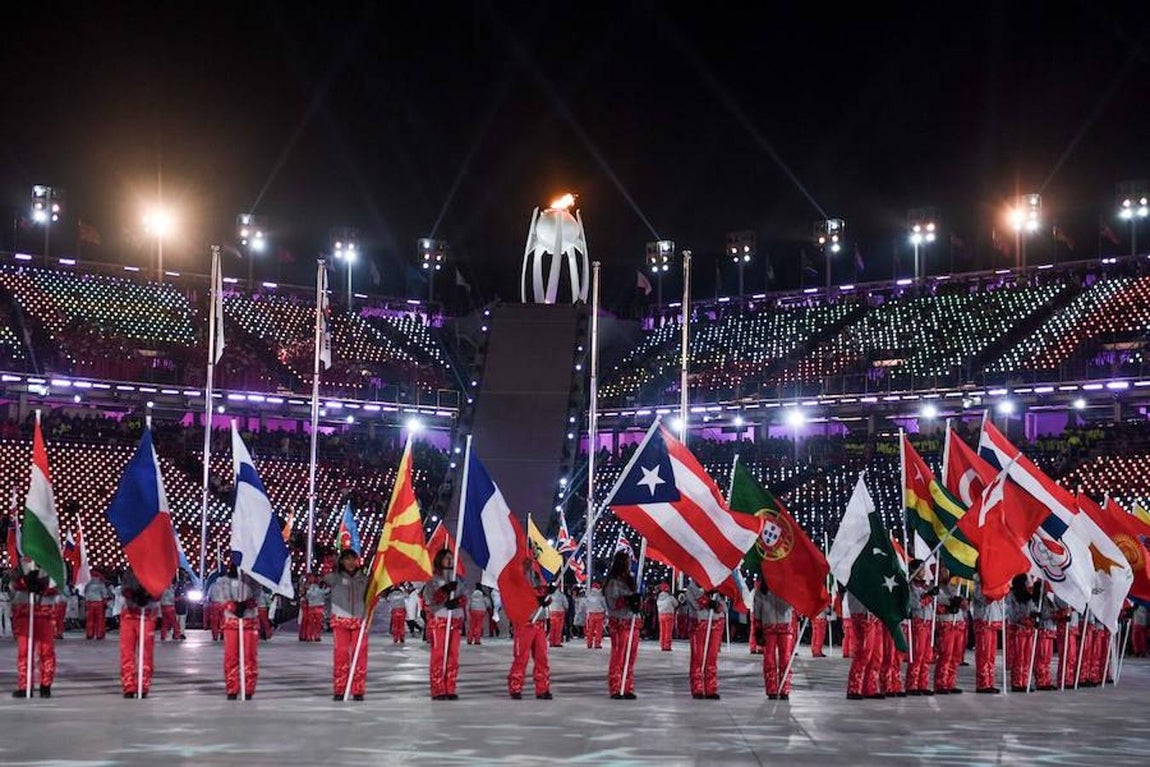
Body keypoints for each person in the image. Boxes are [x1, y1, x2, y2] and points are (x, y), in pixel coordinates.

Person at [323, 549, 370, 701]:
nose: (351, 562)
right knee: (341, 655)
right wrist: (331, 562)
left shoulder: (364, 579)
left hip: (359, 621)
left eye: (353, 559)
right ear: (342, 561)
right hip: (341, 620)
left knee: (360, 656)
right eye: (347, 559)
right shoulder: (335, 578)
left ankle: (358, 689)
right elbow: (324, 577)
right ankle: (340, 689)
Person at [11, 560, 59, 698]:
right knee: (24, 651)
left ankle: (45, 685)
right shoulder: (20, 563)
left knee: (46, 650)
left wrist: (43, 586)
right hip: (25, 612)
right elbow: (13, 586)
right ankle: (25, 685)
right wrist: (25, 582)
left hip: (44, 612)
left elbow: (58, 584)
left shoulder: (51, 559)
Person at [508, 555, 553, 700]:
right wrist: (537, 598)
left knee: (542, 657)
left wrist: (547, 595)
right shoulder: (517, 577)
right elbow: (518, 595)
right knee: (521, 657)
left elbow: (544, 596)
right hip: (525, 621)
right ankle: (515, 686)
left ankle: (543, 688)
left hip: (538, 622)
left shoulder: (538, 577)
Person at [422, 548, 463, 700]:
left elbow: (465, 596)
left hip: (455, 620)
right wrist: (445, 591)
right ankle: (438, 689)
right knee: (439, 655)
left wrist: (457, 601)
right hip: (439, 620)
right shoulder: (432, 579)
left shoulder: (458, 578)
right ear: (439, 559)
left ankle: (450, 688)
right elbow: (431, 599)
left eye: (451, 557)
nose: (449, 560)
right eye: (446, 557)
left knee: (453, 656)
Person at [220, 565, 262, 700]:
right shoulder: (224, 580)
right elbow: (221, 597)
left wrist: (246, 604)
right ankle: (232, 688)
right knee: (231, 657)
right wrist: (232, 606)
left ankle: (248, 688)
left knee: (249, 656)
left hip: (249, 621)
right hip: (232, 622)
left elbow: (257, 594)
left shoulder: (254, 578)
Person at [603, 550, 641, 699]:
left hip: (631, 622)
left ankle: (627, 687)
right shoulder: (613, 582)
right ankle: (615, 687)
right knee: (618, 655)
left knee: (630, 657)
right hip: (619, 623)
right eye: (627, 562)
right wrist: (627, 600)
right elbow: (612, 603)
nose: (629, 564)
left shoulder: (630, 580)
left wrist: (636, 602)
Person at [119, 568, 159, 698]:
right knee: (127, 652)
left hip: (146, 615)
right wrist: (133, 594)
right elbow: (124, 589)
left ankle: (143, 685)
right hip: (129, 615)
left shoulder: (155, 571)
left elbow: (160, 590)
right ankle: (128, 685)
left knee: (146, 653)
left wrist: (149, 595)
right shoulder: (129, 572)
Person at [753, 576, 794, 700]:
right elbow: (756, 611)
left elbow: (792, 606)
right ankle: (771, 689)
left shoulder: (788, 588)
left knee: (785, 659)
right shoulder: (761, 591)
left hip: (785, 627)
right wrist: (758, 629)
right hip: (768, 628)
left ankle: (784, 688)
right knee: (769, 659)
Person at [687, 578, 726, 699]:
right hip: (699, 625)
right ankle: (697, 688)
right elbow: (696, 605)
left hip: (716, 624)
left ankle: (711, 688)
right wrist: (707, 600)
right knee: (698, 657)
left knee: (712, 658)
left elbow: (723, 608)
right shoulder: (691, 589)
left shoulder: (716, 588)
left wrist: (717, 601)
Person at [932, 567, 967, 695]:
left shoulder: (953, 588)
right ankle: (941, 683)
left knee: (955, 656)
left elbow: (965, 607)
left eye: (946, 571)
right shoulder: (934, 589)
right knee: (945, 654)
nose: (945, 574)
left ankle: (950, 682)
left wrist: (961, 601)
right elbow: (935, 606)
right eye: (941, 572)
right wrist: (949, 605)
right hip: (946, 624)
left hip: (958, 624)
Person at [1005, 574, 1038, 692]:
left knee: (1027, 657)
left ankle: (1025, 681)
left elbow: (1032, 608)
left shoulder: (1028, 597)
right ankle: (1017, 682)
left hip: (1028, 631)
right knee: (1018, 657)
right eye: (1025, 582)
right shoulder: (1011, 595)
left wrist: (1034, 615)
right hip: (1017, 630)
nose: (1027, 584)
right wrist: (1022, 619)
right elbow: (1010, 613)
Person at [971, 574, 1004, 694]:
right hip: (984, 623)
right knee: (983, 655)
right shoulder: (978, 586)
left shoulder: (994, 585)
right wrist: (996, 592)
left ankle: (989, 682)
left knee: (991, 656)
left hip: (993, 623)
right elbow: (984, 600)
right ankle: (982, 683)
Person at [845, 591, 881, 700]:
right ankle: (854, 688)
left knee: (876, 654)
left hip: (874, 615)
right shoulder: (857, 577)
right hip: (862, 614)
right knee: (863, 653)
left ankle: (870, 687)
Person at [83, 571, 110, 640]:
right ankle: (99, 634)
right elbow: (104, 594)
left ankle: (89, 634)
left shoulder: (87, 584)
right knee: (100, 620)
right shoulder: (101, 584)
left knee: (90, 620)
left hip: (89, 602)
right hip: (99, 602)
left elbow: (84, 592)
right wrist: (105, 602)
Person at [304, 573, 327, 642]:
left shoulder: (323, 587)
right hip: (312, 606)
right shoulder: (311, 586)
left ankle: (317, 636)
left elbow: (326, 594)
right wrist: (321, 593)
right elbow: (309, 595)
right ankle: (309, 636)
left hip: (319, 606)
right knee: (310, 622)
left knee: (318, 623)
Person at [583, 582, 606, 649]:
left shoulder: (589, 596)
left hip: (591, 614)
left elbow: (586, 605)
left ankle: (589, 643)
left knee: (590, 630)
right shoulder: (600, 596)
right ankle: (597, 643)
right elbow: (604, 605)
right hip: (599, 614)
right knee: (599, 630)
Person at [656, 583, 677, 651]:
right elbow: (676, 604)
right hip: (669, 615)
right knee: (668, 632)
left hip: (661, 615)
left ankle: (662, 645)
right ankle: (667, 646)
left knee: (662, 631)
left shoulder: (658, 598)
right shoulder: (670, 597)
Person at [208, 573, 229, 642]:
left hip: (214, 604)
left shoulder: (213, 586)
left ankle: (215, 636)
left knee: (214, 621)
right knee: (223, 620)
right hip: (223, 604)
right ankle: (223, 634)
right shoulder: (226, 586)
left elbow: (209, 596)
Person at [0, 574, 11, 640]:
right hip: (7, 600)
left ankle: (1, 633)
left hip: (2, 600)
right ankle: (8, 632)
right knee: (7, 618)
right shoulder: (9, 581)